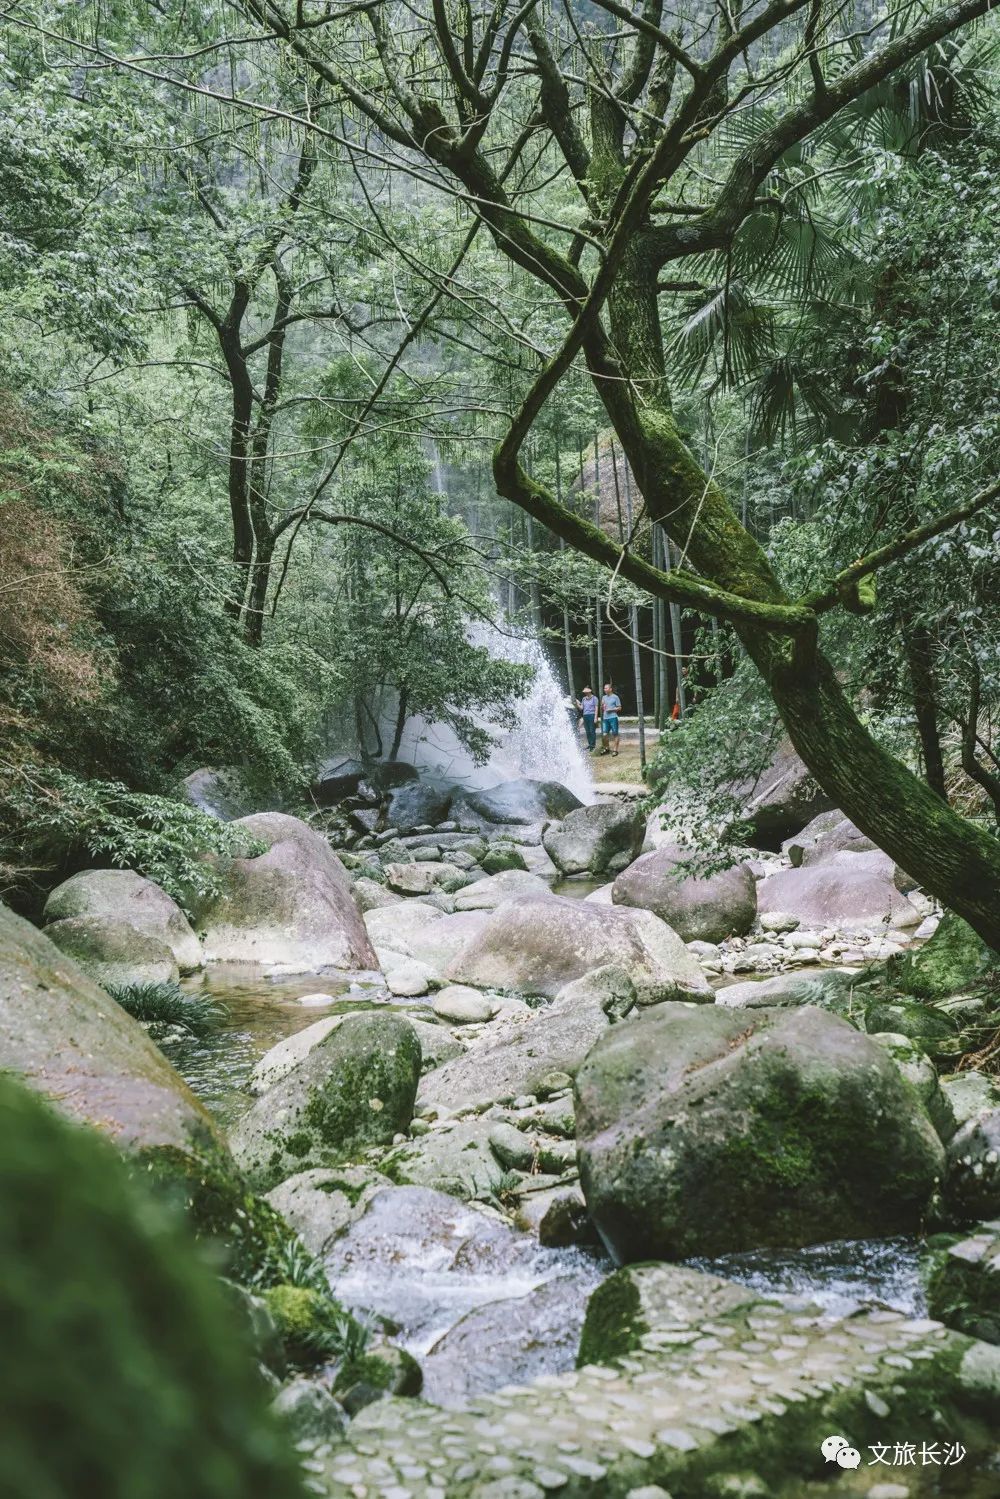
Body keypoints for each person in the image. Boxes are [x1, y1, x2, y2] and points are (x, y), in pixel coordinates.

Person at [600, 682, 622, 756]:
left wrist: (611, 709)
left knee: (615, 734)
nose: (604, 689)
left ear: (610, 689)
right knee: (604, 734)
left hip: (613, 717)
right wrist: (602, 706)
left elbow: (619, 707)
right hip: (605, 718)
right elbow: (603, 707)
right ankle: (607, 748)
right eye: (604, 688)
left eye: (606, 688)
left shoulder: (615, 697)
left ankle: (615, 750)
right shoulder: (604, 697)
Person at [576, 686, 599, 751]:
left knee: (592, 731)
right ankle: (590, 744)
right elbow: (581, 708)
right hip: (585, 715)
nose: (585, 693)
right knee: (588, 731)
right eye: (585, 692)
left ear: (590, 691)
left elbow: (596, 708)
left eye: (586, 691)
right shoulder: (583, 699)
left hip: (592, 715)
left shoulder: (595, 698)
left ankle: (592, 746)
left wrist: (595, 717)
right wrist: (577, 704)